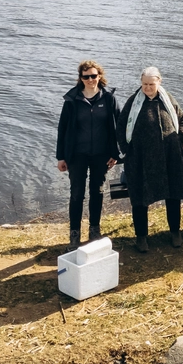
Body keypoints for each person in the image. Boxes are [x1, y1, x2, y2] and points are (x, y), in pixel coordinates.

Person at [119, 67, 183, 252]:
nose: (148, 88)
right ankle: (141, 237)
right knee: (140, 199)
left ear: (159, 82)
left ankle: (175, 232)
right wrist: (127, 150)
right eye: (145, 84)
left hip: (169, 158)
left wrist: (179, 138)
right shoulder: (133, 102)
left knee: (173, 196)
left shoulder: (167, 99)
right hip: (141, 160)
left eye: (151, 84)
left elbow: (182, 118)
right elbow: (121, 126)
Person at [55, 60, 120, 248]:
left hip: (101, 154)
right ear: (81, 78)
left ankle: (94, 230)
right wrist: (61, 157)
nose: (90, 80)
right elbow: (62, 129)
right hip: (77, 155)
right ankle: (74, 234)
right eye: (86, 77)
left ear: (99, 76)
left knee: (97, 192)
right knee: (76, 194)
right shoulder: (72, 100)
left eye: (93, 76)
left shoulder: (108, 98)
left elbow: (118, 126)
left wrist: (115, 153)